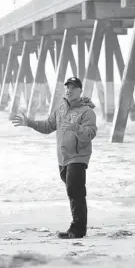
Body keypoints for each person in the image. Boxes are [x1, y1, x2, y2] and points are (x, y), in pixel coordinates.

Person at [11, 76, 97, 239]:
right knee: (74, 192)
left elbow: (90, 134)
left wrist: (76, 128)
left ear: (80, 91)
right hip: (63, 159)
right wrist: (29, 122)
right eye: (67, 87)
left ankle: (77, 229)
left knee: (74, 190)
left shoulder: (87, 112)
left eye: (73, 88)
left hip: (78, 158)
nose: (69, 90)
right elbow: (47, 126)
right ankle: (79, 227)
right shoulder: (61, 109)